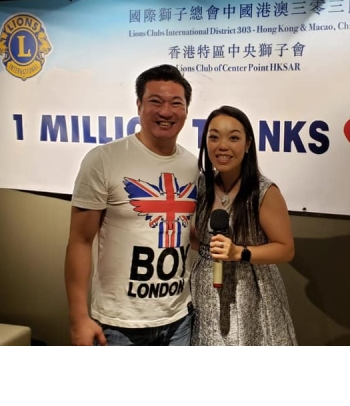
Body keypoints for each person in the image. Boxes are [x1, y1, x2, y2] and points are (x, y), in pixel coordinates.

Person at [64, 64, 199, 346]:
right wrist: (78, 318)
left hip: (179, 320)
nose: (166, 111)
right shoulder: (103, 159)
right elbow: (79, 241)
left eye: (176, 103)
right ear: (139, 105)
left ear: (186, 110)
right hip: (119, 324)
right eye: (155, 101)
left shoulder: (194, 167)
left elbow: (193, 235)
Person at [190, 105, 297, 345]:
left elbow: (286, 249)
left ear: (248, 144)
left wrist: (239, 252)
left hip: (251, 292)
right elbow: (200, 241)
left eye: (233, 138)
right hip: (205, 288)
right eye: (214, 137)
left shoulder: (263, 191)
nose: (222, 146)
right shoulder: (201, 185)